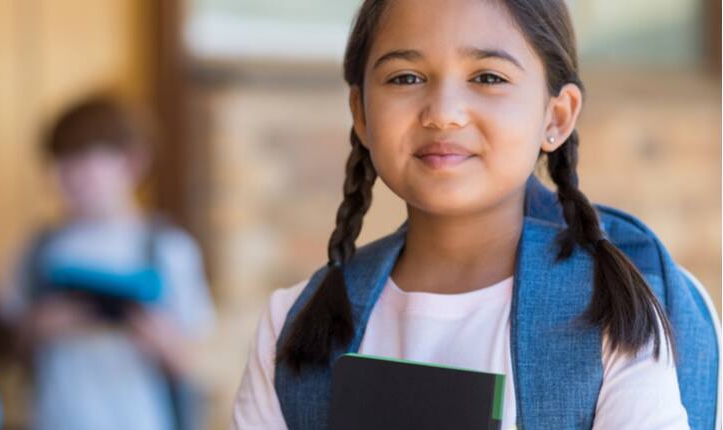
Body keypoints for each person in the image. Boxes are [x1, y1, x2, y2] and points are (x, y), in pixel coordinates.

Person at [232, 0, 718, 429]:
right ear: (360, 113)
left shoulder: (612, 309)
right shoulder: (291, 322)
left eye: (488, 77)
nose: (443, 113)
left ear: (557, 117)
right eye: (406, 77)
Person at [7, 96, 215, 430]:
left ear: (133, 162)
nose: (72, 175)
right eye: (62, 161)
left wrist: (160, 340)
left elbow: (196, 361)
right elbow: (10, 351)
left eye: (86, 159)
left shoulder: (168, 248)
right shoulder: (37, 249)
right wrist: (38, 328)